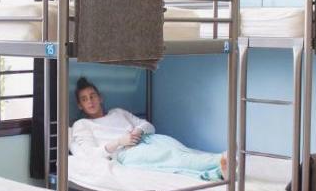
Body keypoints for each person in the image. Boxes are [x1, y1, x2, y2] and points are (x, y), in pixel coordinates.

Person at [70, 76, 227, 181]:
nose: (90, 101)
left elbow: (149, 126)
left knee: (183, 151)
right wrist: (119, 141)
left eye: (92, 96)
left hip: (148, 139)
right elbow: (91, 154)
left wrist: (138, 130)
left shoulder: (117, 112)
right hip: (128, 151)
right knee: (175, 157)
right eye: (84, 99)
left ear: (100, 97)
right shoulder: (82, 125)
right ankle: (221, 159)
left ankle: (220, 170)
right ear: (80, 105)